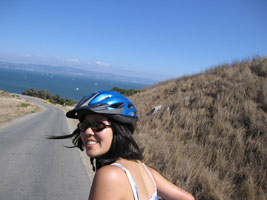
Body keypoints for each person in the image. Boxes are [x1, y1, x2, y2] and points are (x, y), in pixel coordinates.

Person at [52, 90, 194, 200]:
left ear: (118, 129)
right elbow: (186, 198)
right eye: (84, 124)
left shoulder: (109, 175)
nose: (87, 131)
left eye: (97, 125)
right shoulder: (144, 169)